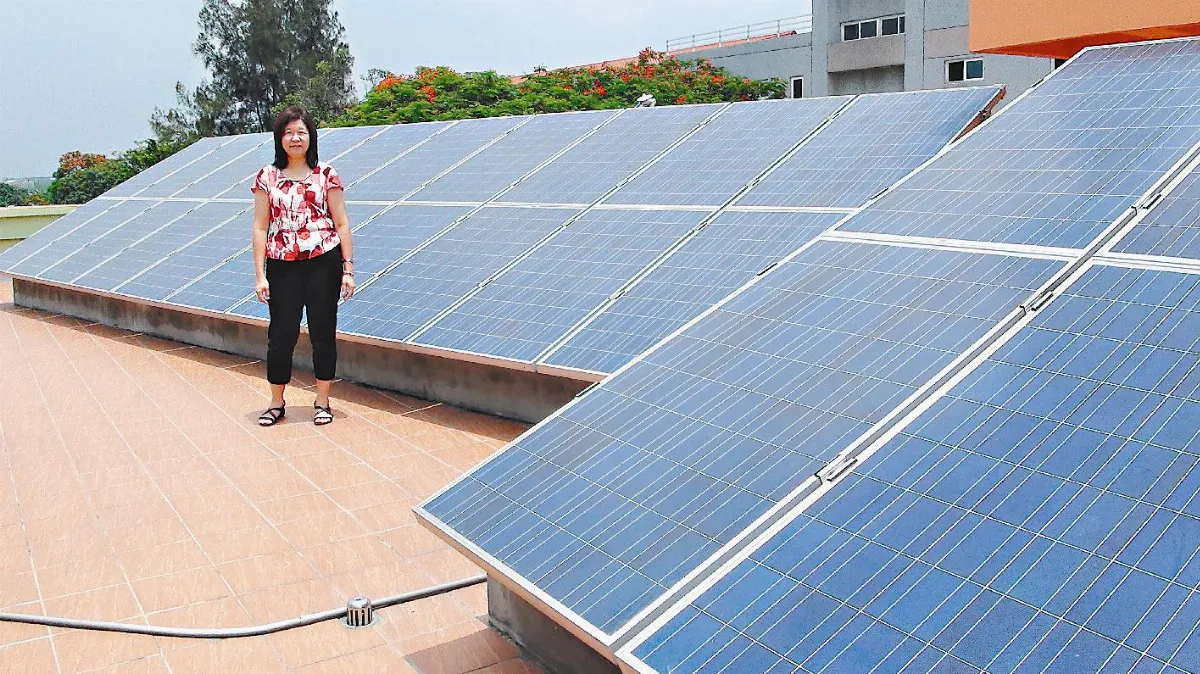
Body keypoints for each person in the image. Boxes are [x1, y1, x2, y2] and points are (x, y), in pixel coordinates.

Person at [251, 106, 355, 427]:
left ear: (311, 137)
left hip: (323, 262)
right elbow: (259, 227)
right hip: (282, 265)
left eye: (301, 132)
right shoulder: (267, 177)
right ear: (279, 138)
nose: (295, 138)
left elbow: (341, 221)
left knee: (323, 332)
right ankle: (276, 401)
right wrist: (260, 275)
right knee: (281, 335)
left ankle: (322, 401)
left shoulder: (326, 174)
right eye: (288, 132)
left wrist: (348, 268)